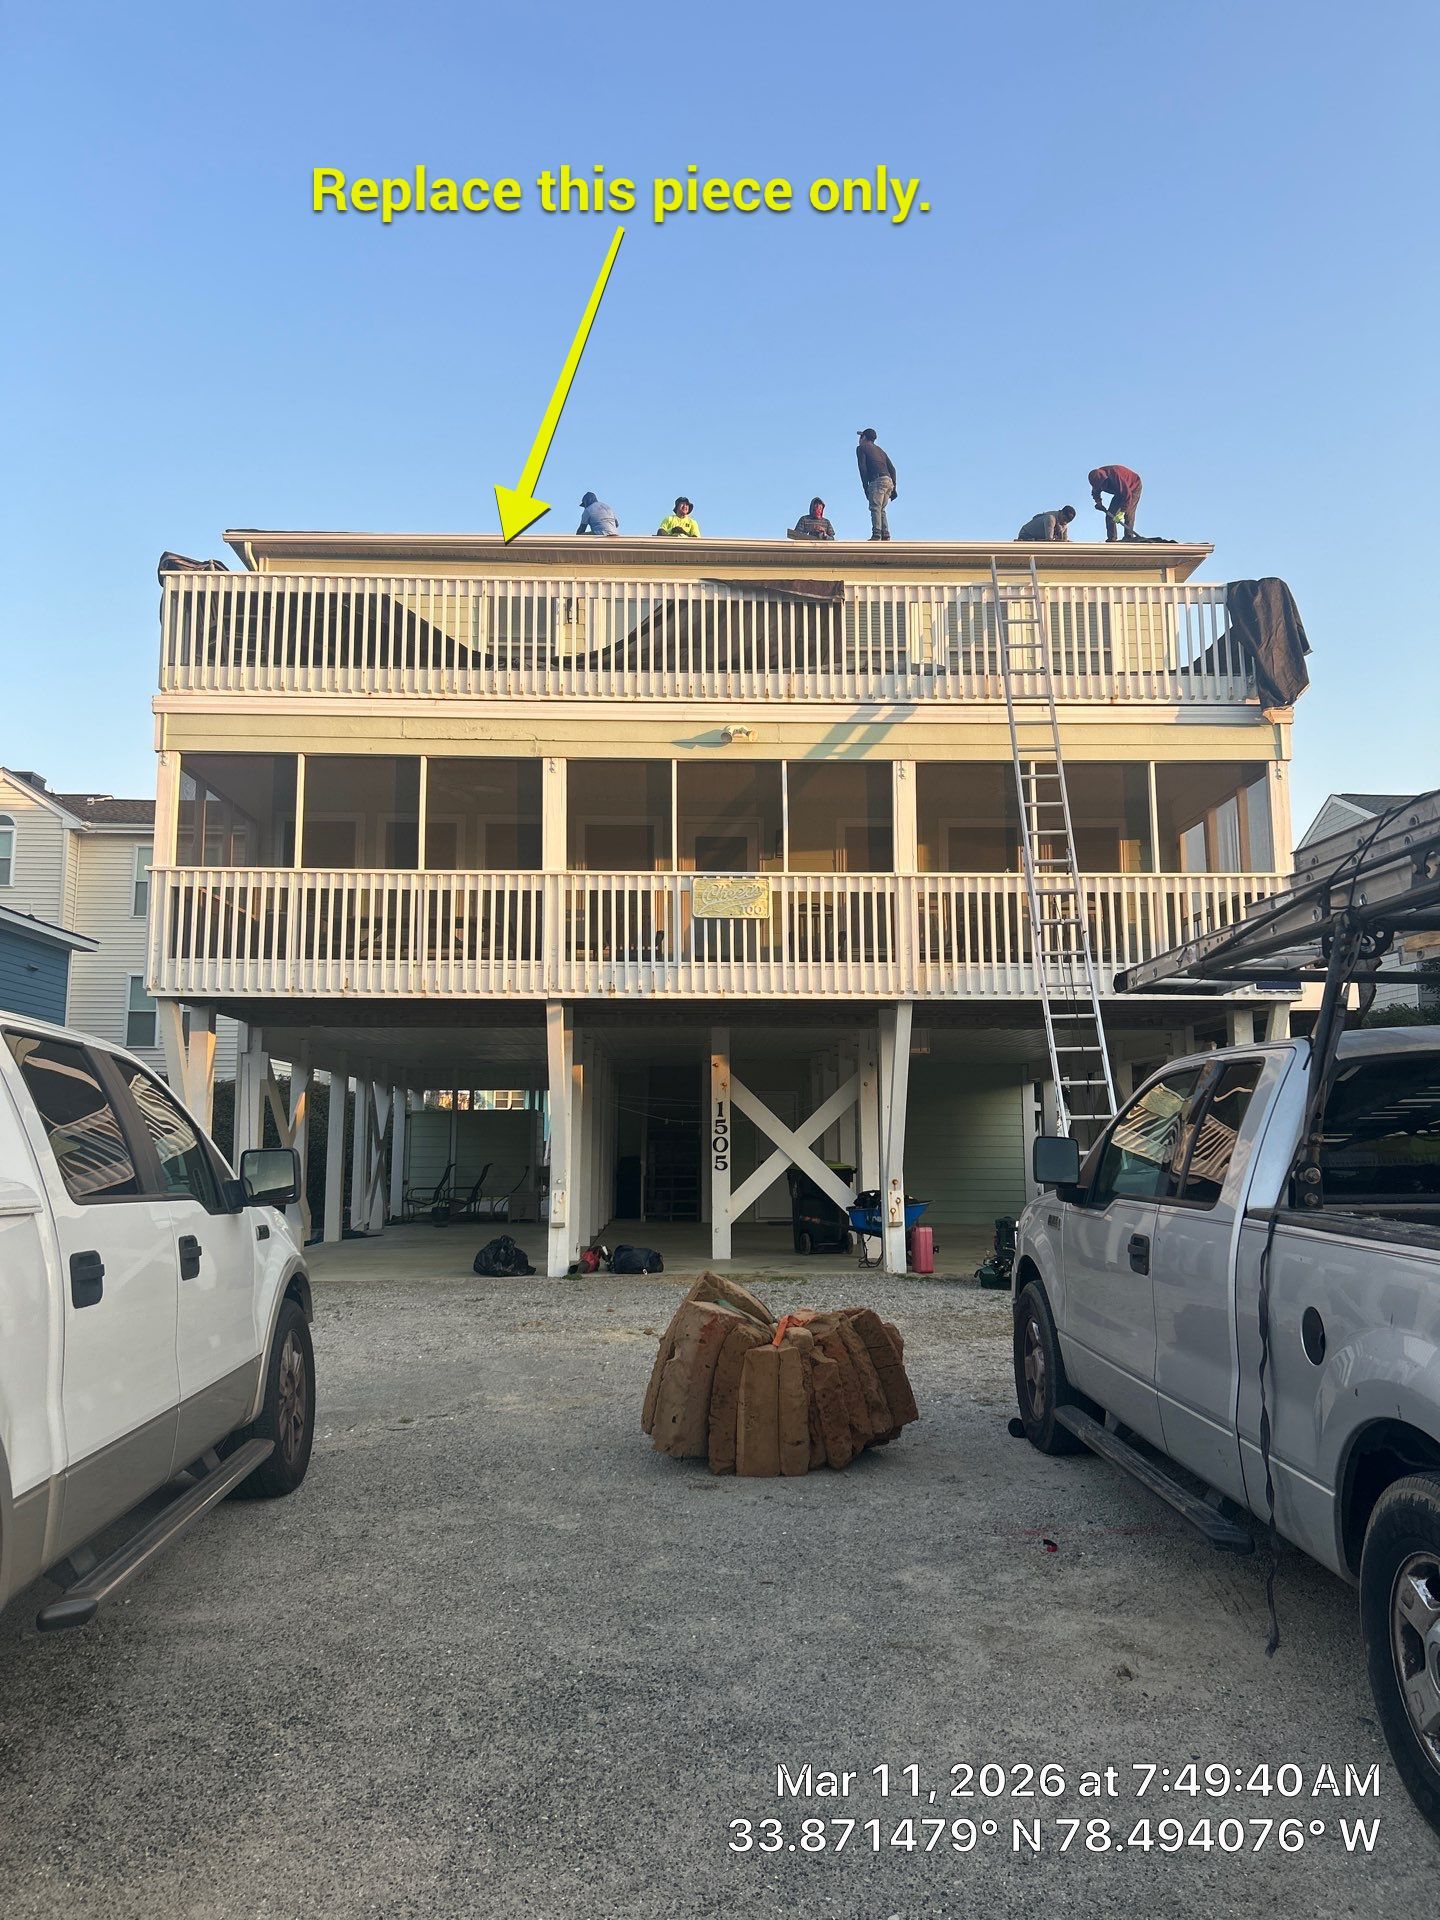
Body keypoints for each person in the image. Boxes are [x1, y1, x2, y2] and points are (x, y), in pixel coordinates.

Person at [856, 429, 898, 540]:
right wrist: (894, 487)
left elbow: (862, 468)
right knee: (881, 509)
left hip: (877, 481)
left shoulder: (861, 448)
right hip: (888, 481)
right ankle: (885, 534)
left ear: (864, 437)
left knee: (875, 507)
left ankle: (876, 534)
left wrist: (865, 487)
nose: (859, 439)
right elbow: (893, 469)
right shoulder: (880, 450)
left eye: (861, 437)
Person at [1088, 465, 1142, 541]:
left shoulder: (1115, 475)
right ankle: (1112, 538)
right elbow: (1095, 493)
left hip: (1133, 487)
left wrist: (1122, 512)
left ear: (1105, 478)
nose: (1102, 487)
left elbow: (1127, 495)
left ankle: (1128, 537)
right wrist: (1099, 503)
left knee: (1128, 513)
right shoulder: (1096, 480)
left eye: (1103, 484)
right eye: (1100, 486)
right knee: (1110, 515)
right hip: (1119, 491)